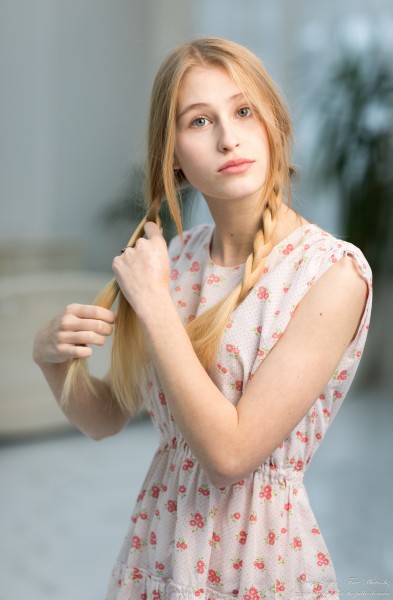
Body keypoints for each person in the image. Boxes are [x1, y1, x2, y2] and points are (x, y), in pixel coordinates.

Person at [33, 37, 372, 600]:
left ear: (274, 125)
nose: (228, 137)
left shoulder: (331, 274)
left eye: (243, 111)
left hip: (258, 562)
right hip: (159, 549)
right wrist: (51, 361)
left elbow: (230, 457)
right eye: (199, 120)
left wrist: (157, 304)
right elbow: (105, 419)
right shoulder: (180, 259)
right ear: (172, 153)